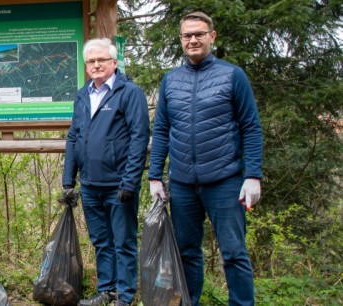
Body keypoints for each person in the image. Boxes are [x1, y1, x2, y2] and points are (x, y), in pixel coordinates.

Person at [148, 11, 263, 306]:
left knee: (234, 253)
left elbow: (250, 127)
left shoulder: (232, 75)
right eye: (187, 35)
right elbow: (161, 130)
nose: (193, 40)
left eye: (199, 34)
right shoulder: (171, 81)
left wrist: (253, 176)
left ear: (212, 36)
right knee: (186, 252)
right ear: (181, 40)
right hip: (183, 184)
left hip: (226, 181)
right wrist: (154, 176)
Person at [62, 38, 149, 306]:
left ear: (114, 63)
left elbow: (139, 137)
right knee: (101, 241)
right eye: (91, 61)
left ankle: (125, 297)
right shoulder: (83, 94)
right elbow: (74, 136)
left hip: (119, 185)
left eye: (101, 60)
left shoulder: (129, 92)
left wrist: (130, 182)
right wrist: (69, 181)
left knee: (123, 243)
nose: (96, 65)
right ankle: (106, 291)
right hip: (89, 185)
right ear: (86, 65)